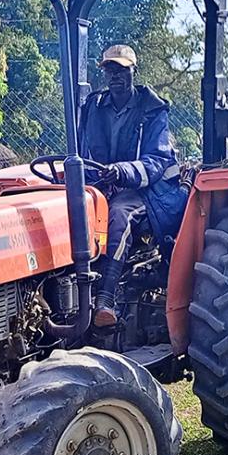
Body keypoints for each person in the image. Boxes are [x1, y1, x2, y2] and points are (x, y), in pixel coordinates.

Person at [79, 44, 187, 327]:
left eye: (122, 70)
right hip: (104, 183)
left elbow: (157, 161)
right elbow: (80, 151)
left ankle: (105, 298)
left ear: (133, 72)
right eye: (110, 70)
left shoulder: (152, 110)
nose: (115, 76)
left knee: (119, 213)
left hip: (148, 189)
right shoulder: (93, 107)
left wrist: (123, 172)